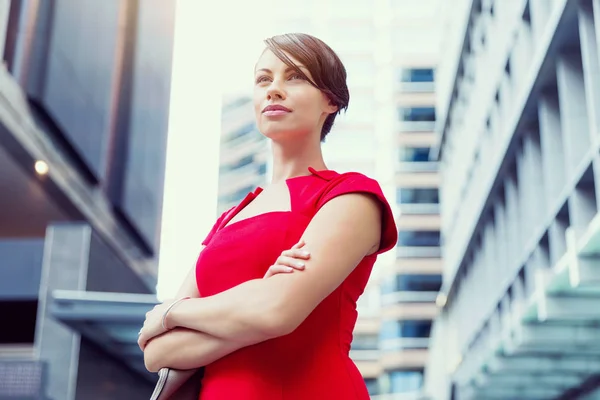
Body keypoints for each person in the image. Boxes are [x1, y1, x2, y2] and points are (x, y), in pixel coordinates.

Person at [138, 32, 398, 399]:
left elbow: (277, 312)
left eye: (294, 77)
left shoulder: (351, 195)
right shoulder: (230, 217)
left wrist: (172, 312)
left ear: (330, 99)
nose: (274, 90)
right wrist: (254, 303)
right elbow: (158, 351)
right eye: (264, 79)